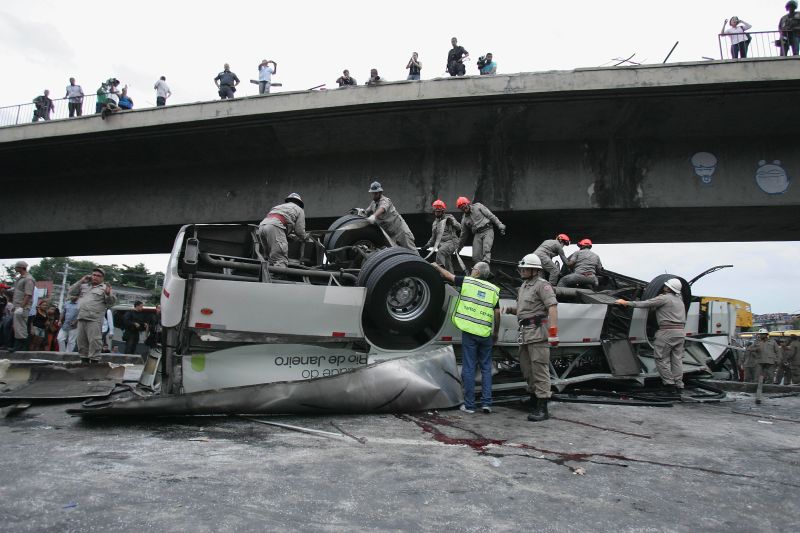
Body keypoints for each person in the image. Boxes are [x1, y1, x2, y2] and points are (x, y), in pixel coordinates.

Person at [433, 261, 500, 414]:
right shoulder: (494, 290)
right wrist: (495, 332)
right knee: (486, 369)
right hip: (485, 334)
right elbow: (497, 313)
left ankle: (470, 406)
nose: (471, 270)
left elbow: (448, 276)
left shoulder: (467, 281)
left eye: (473, 269)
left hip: (470, 333)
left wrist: (436, 267)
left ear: (477, 272)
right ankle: (486, 404)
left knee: (469, 368)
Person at [504, 254, 559, 421]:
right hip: (525, 332)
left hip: (537, 332)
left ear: (535, 270)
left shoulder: (543, 285)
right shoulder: (524, 286)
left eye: (525, 268)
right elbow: (524, 310)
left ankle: (543, 408)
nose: (521, 271)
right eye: (521, 268)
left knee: (539, 369)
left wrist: (553, 333)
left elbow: (552, 307)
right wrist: (512, 310)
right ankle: (533, 399)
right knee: (527, 369)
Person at [616, 278, 686, 395]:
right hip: (680, 332)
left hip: (667, 333)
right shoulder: (680, 300)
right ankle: (679, 385)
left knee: (661, 359)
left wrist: (626, 303)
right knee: (677, 360)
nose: (664, 286)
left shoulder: (663, 298)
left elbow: (645, 304)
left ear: (668, 288)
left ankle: (669, 385)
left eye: (666, 285)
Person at [68, 268, 116, 363]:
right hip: (82, 317)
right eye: (94, 275)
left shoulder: (105, 288)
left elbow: (111, 302)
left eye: (98, 276)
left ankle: (94, 362)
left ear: (102, 278)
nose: (95, 277)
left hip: (94, 319)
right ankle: (84, 362)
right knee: (81, 342)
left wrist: (108, 294)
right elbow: (71, 292)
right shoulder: (84, 286)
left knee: (95, 341)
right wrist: (81, 280)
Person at [258, 193, 309, 268]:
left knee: (269, 257)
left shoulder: (277, 207)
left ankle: (267, 275)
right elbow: (299, 231)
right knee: (280, 258)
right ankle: (277, 277)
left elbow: (278, 223)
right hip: (275, 227)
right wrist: (305, 237)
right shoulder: (299, 210)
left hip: (262, 227)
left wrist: (288, 236)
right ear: (299, 203)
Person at [364, 181, 417, 251]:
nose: (374, 195)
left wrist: (374, 216)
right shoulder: (373, 203)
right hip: (390, 236)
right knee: (395, 257)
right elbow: (366, 211)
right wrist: (360, 213)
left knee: (412, 252)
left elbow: (382, 208)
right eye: (373, 193)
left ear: (380, 193)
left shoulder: (386, 201)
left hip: (401, 232)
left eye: (376, 193)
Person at [456, 197, 505, 263]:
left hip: (487, 230)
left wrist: (499, 224)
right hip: (477, 234)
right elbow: (463, 236)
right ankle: (479, 269)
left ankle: (486, 265)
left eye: (464, 206)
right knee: (475, 256)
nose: (464, 209)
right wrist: (458, 249)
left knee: (486, 250)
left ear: (468, 203)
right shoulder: (464, 219)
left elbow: (491, 216)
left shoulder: (478, 206)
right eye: (461, 208)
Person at [424, 199, 461, 273]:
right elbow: (433, 237)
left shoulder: (449, 217)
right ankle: (451, 279)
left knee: (440, 252)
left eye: (439, 211)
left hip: (451, 242)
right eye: (436, 211)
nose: (437, 213)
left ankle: (440, 271)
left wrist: (452, 222)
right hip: (442, 245)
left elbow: (459, 227)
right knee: (447, 263)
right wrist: (427, 245)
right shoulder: (435, 223)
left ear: (443, 211)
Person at [6, 261, 35, 352]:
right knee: (15, 326)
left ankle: (20, 348)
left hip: (23, 306)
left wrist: (21, 307)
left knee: (21, 327)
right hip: (17, 305)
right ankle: (14, 345)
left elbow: (28, 294)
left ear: (22, 267)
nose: (15, 268)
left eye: (16, 267)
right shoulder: (20, 278)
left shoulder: (28, 279)